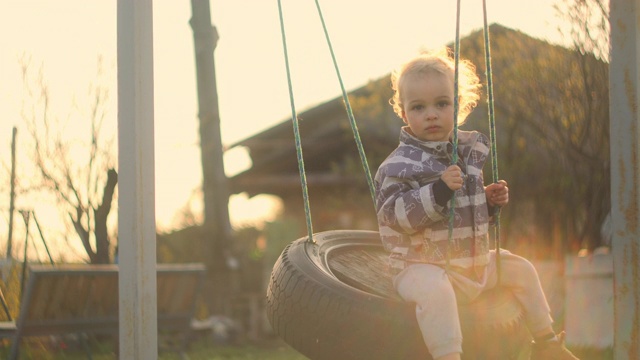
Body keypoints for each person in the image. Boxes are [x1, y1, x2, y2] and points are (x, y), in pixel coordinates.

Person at [374, 48, 578, 360]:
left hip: (469, 264)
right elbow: (395, 215)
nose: (431, 113)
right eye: (419, 107)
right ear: (404, 113)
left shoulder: (466, 154)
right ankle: (448, 355)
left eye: (441, 103)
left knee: (519, 268)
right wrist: (439, 191)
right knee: (435, 293)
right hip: (419, 265)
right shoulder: (398, 165)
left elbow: (467, 216)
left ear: (459, 107)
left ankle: (547, 343)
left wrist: (489, 202)